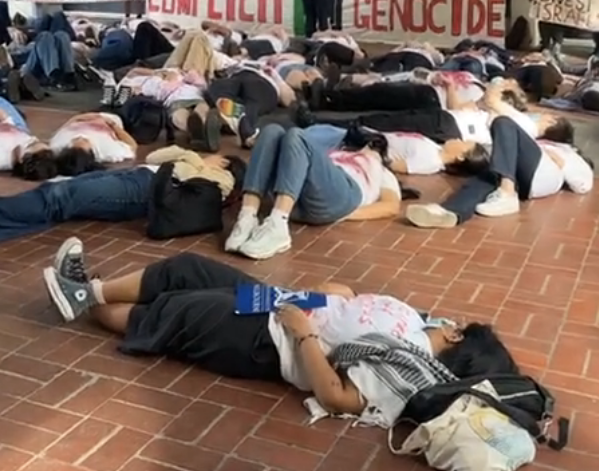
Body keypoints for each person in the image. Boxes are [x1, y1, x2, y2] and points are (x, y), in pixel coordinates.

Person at [40, 248, 517, 422]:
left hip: (265, 339)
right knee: (186, 268)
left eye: (457, 325)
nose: (449, 321)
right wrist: (333, 296)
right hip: (282, 301)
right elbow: (351, 306)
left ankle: (83, 302)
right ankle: (88, 287)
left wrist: (305, 334)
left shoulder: (407, 366)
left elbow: (340, 397)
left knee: (171, 311)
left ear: (456, 340)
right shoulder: (412, 321)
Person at [0, 150, 243, 246]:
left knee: (63, 194)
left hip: (141, 190)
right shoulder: (201, 162)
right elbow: (156, 155)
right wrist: (195, 156)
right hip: (136, 174)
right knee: (58, 194)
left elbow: (179, 178)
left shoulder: (223, 180)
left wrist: (197, 158)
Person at [224, 123, 401, 260]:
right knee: (271, 131)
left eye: (377, 146)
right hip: (299, 196)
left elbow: (391, 206)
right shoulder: (335, 152)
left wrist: (348, 214)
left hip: (344, 194)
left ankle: (278, 224)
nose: (371, 147)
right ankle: (247, 217)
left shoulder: (383, 171)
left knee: (296, 135)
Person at [406, 114, 593, 228]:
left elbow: (583, 184)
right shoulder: (534, 142)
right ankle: (450, 213)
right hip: (523, 175)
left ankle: (507, 192)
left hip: (543, 174)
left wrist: (563, 164)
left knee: (503, 122)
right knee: (485, 178)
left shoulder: (568, 151)